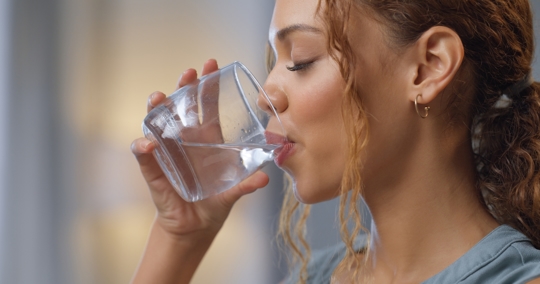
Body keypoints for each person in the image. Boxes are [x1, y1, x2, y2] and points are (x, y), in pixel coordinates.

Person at [130, 0, 540, 283]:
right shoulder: (312, 277)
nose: (265, 95)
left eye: (301, 61)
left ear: (428, 67)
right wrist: (180, 238)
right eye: (275, 63)